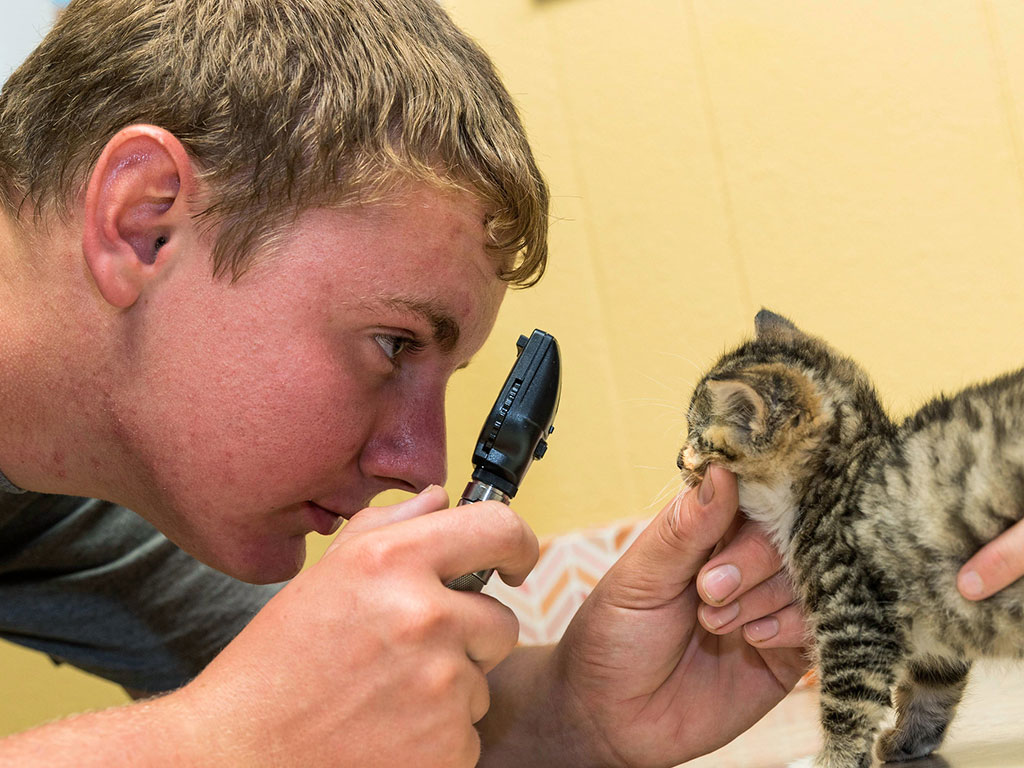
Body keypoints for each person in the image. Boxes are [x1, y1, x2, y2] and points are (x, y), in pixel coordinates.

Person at [12, 0, 988, 764]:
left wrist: (582, 714)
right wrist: (216, 746)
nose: (417, 466)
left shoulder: (92, 493)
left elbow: (336, 725)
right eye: (392, 344)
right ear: (145, 222)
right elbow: (264, 732)